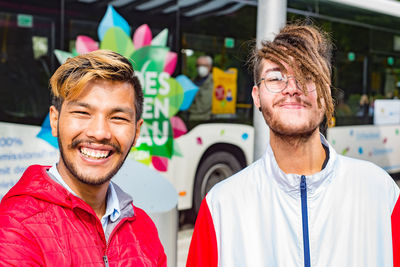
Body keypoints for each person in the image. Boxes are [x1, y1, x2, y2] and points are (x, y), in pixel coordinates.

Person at [186, 24, 400, 267]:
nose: (292, 88)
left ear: (326, 93)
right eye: (276, 77)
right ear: (256, 95)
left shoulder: (381, 193)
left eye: (307, 76)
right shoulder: (221, 207)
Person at [0, 50, 166, 266]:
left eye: (117, 117)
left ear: (136, 132)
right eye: (82, 113)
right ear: (54, 120)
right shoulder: (16, 225)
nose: (99, 132)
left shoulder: (143, 227)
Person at [188, 55, 213, 120]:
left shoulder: (215, 82)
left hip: (208, 120)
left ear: (209, 67)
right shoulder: (191, 82)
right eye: (198, 65)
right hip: (192, 119)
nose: (201, 68)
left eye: (204, 65)